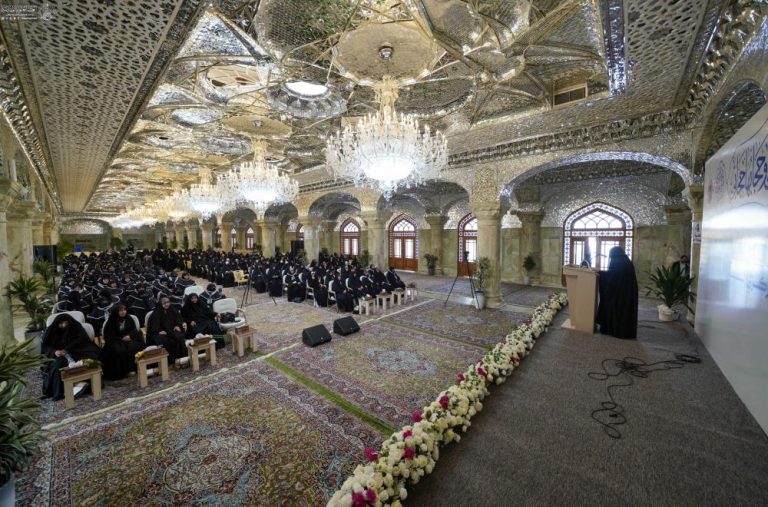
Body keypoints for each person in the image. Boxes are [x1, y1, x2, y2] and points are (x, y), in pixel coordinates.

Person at [40, 314, 101, 400]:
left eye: (66, 323)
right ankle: (62, 391)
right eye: (61, 324)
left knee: (89, 359)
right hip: (58, 354)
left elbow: (82, 340)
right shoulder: (51, 330)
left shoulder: (76, 327)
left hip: (76, 350)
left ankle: (86, 385)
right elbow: (46, 346)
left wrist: (67, 349)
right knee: (58, 365)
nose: (64, 326)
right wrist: (55, 352)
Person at [596, 246, 638, 339]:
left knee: (615, 309)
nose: (610, 258)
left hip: (620, 294)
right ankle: (623, 331)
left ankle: (614, 330)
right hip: (626, 294)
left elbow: (612, 276)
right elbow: (614, 275)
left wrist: (600, 273)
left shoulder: (618, 261)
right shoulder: (626, 260)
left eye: (611, 256)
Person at [101, 304, 146, 380]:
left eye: (124, 310)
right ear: (116, 312)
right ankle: (124, 372)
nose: (123, 312)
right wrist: (121, 338)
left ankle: (136, 368)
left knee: (138, 345)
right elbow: (109, 336)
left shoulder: (129, 318)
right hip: (116, 341)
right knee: (119, 350)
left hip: (128, 339)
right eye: (120, 310)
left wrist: (130, 336)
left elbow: (134, 330)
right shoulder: (111, 321)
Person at [147, 296, 187, 365]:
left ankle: (183, 358)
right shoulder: (156, 313)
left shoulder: (172, 309)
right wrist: (159, 331)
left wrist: (177, 325)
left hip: (172, 330)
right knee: (165, 342)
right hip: (161, 332)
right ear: (160, 304)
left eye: (168, 302)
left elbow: (179, 319)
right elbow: (154, 326)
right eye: (164, 303)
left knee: (180, 337)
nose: (166, 304)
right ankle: (171, 361)